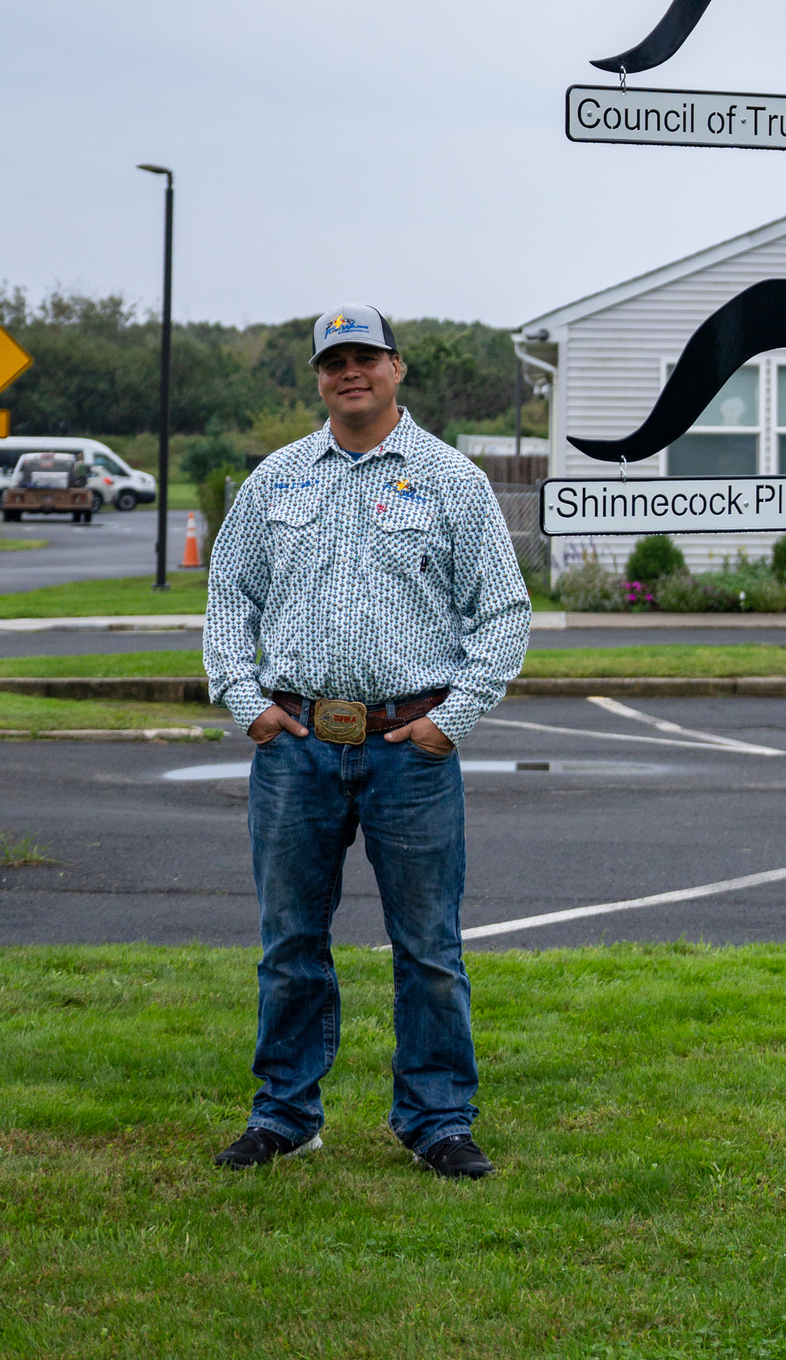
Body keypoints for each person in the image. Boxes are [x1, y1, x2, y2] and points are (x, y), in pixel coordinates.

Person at [203, 304, 531, 1178]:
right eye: (333, 360)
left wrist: (448, 722)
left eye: (366, 357)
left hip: (408, 750)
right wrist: (246, 701)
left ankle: (436, 1121)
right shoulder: (276, 479)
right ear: (318, 377)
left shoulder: (450, 480)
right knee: (288, 944)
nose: (350, 372)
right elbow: (228, 596)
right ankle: (285, 1115)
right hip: (296, 745)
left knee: (428, 947)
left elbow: (502, 613)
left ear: (398, 367)